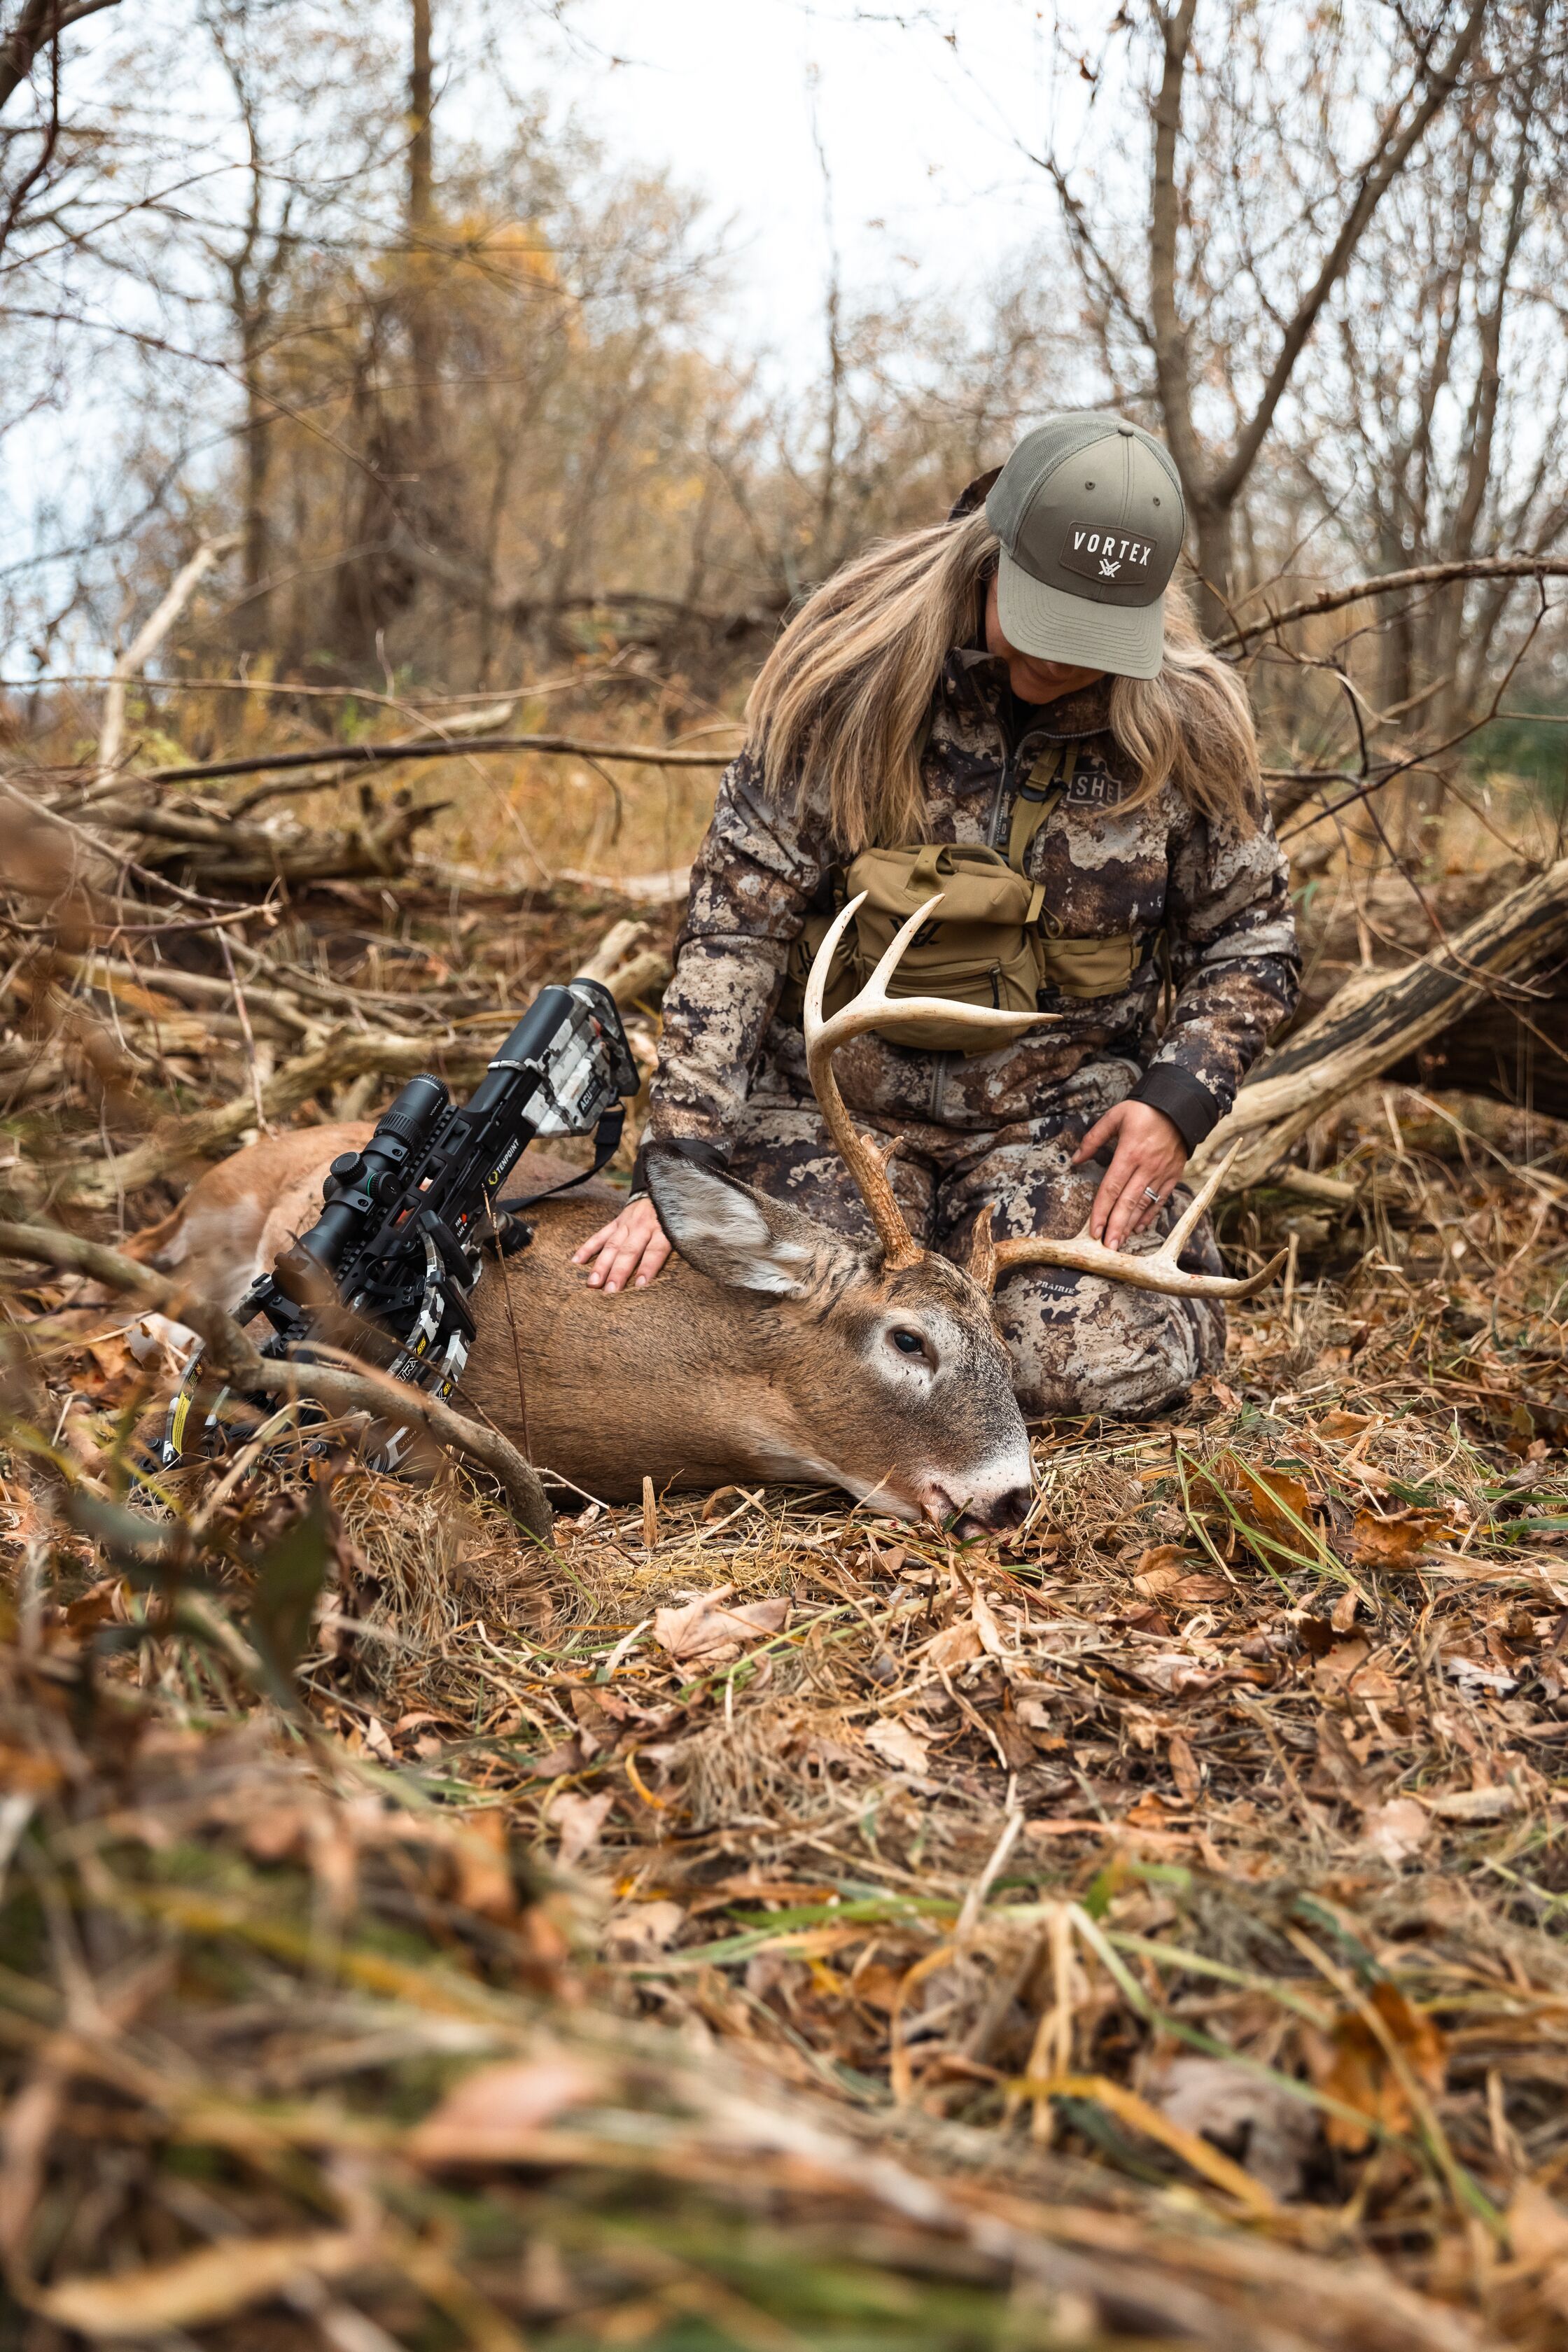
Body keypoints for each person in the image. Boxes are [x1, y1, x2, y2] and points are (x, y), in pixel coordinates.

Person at [574, 413, 1299, 1419]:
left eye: (1097, 639)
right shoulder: (843, 690)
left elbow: (1252, 940)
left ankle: (1068, 1283)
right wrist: (683, 1162)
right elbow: (734, 935)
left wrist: (1178, 1104)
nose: (1068, 662)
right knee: (795, 1344)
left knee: (1080, 1370)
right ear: (986, 557)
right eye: (1046, 619)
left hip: (1059, 1124)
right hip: (833, 1118)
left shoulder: (1185, 728)